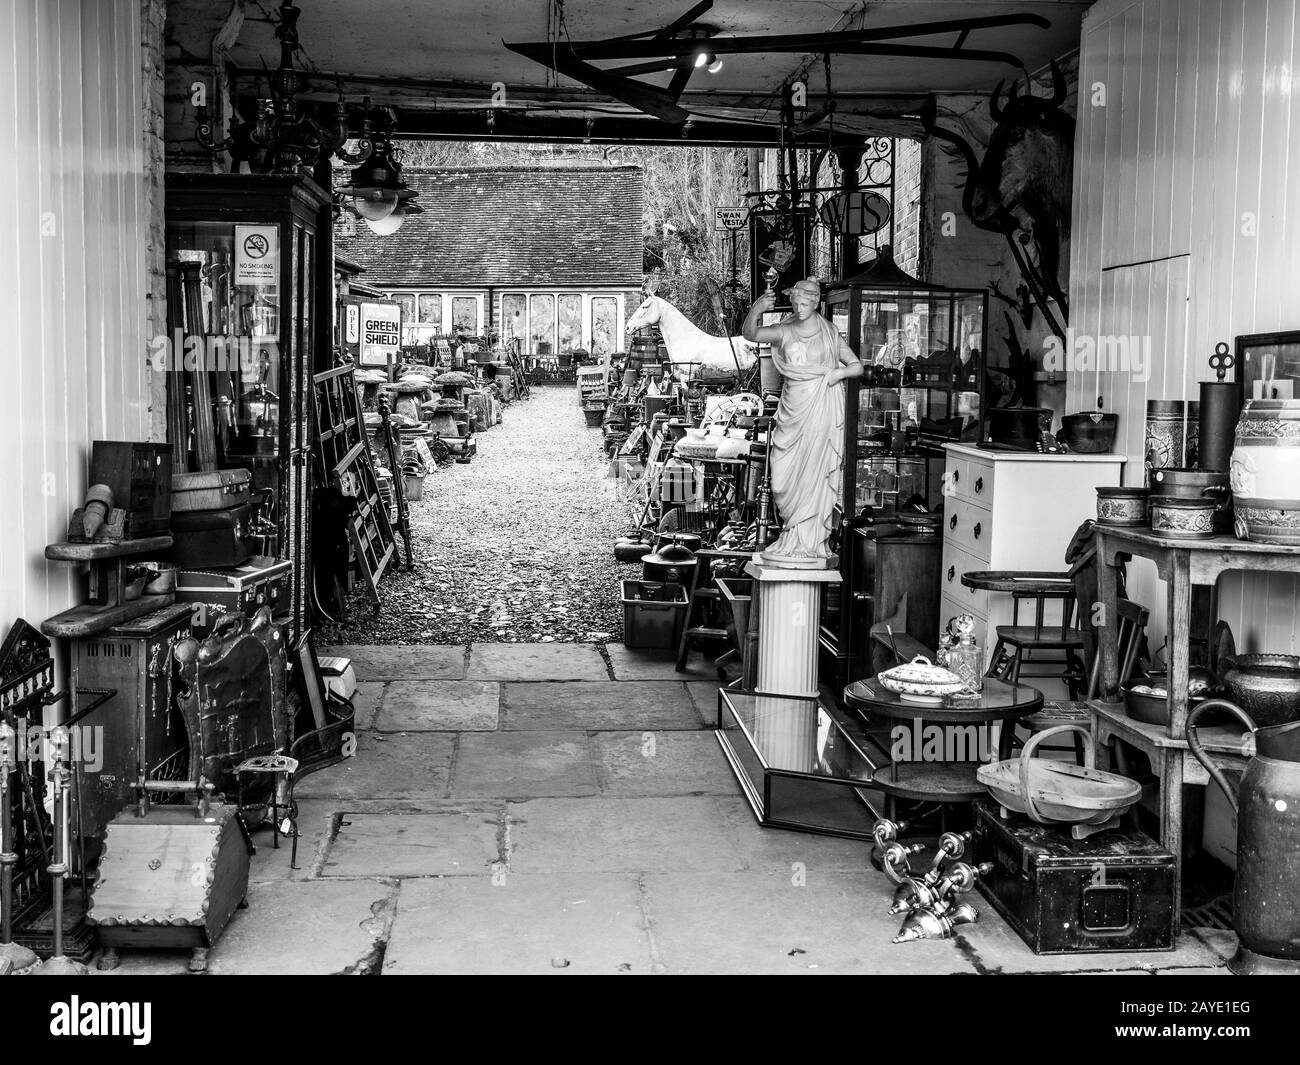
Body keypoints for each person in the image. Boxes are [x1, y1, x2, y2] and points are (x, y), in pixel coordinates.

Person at [742, 278, 864, 566]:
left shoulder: (829, 332)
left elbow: (856, 365)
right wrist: (757, 308)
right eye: (795, 303)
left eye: (804, 303)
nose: (799, 308)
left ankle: (809, 542)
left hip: (820, 408)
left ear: (815, 303)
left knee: (815, 472)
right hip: (791, 410)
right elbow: (751, 333)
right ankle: (791, 533)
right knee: (782, 478)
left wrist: (834, 375)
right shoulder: (785, 331)